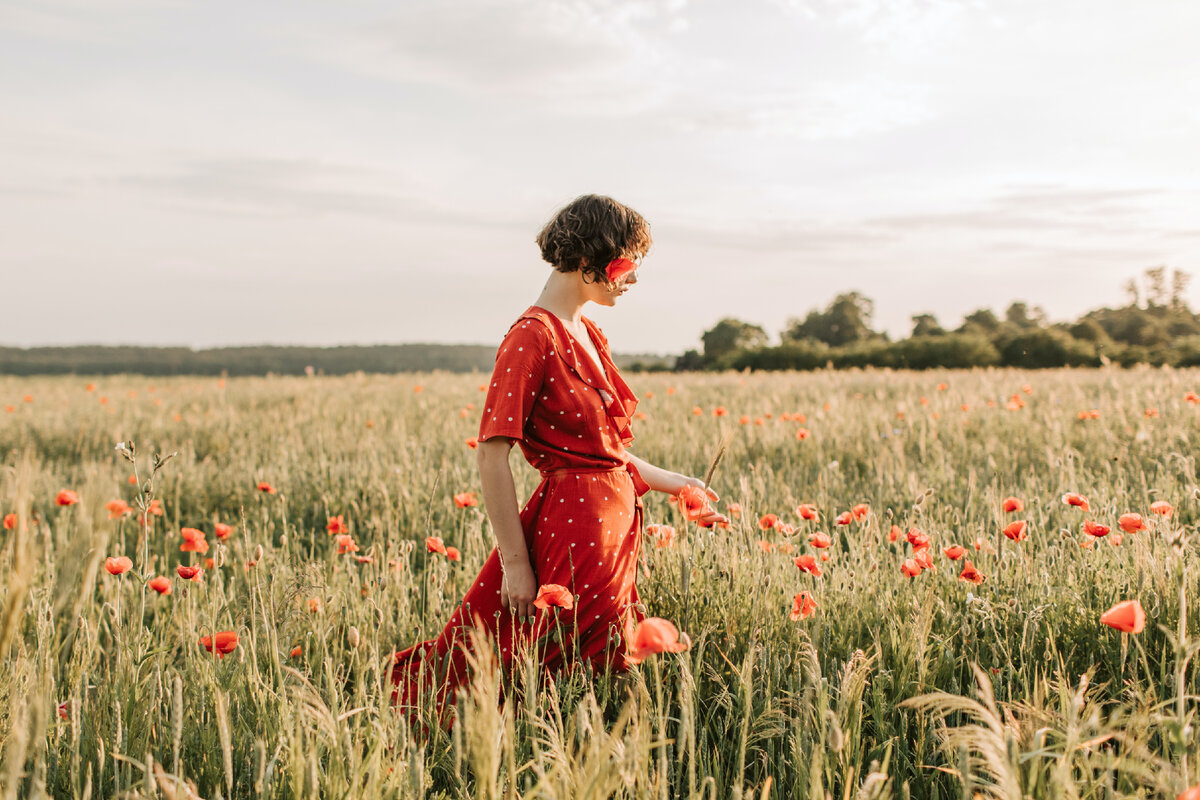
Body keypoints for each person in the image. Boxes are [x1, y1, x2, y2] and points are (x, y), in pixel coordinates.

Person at [390, 194, 728, 724]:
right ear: (594, 257)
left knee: (599, 674)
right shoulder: (531, 338)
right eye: (629, 262)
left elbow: (610, 460)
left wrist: (683, 484)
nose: (633, 278)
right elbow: (491, 455)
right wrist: (517, 567)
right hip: (573, 533)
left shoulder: (589, 333)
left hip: (613, 533)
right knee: (557, 670)